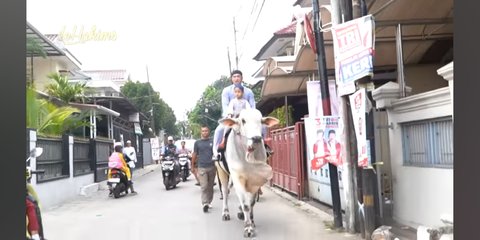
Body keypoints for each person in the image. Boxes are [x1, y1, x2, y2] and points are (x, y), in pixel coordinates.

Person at [212, 70, 256, 160]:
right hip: (232, 118)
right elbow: (225, 106)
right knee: (219, 130)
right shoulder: (226, 91)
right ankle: (216, 152)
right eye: (234, 77)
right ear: (231, 79)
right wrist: (229, 116)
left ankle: (263, 148)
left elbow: (252, 107)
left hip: (246, 119)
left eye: (238, 76)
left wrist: (251, 116)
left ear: (242, 78)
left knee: (262, 127)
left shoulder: (249, 92)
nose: (236, 78)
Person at [191, 126, 217, 213]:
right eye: (203, 131)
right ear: (201, 132)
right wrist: (192, 166)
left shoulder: (212, 142)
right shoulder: (197, 143)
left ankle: (209, 201)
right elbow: (194, 154)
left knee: (210, 186)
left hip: (212, 167)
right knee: (204, 186)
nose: (205, 132)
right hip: (201, 167)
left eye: (206, 131)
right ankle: (205, 203)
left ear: (208, 132)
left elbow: (216, 153)